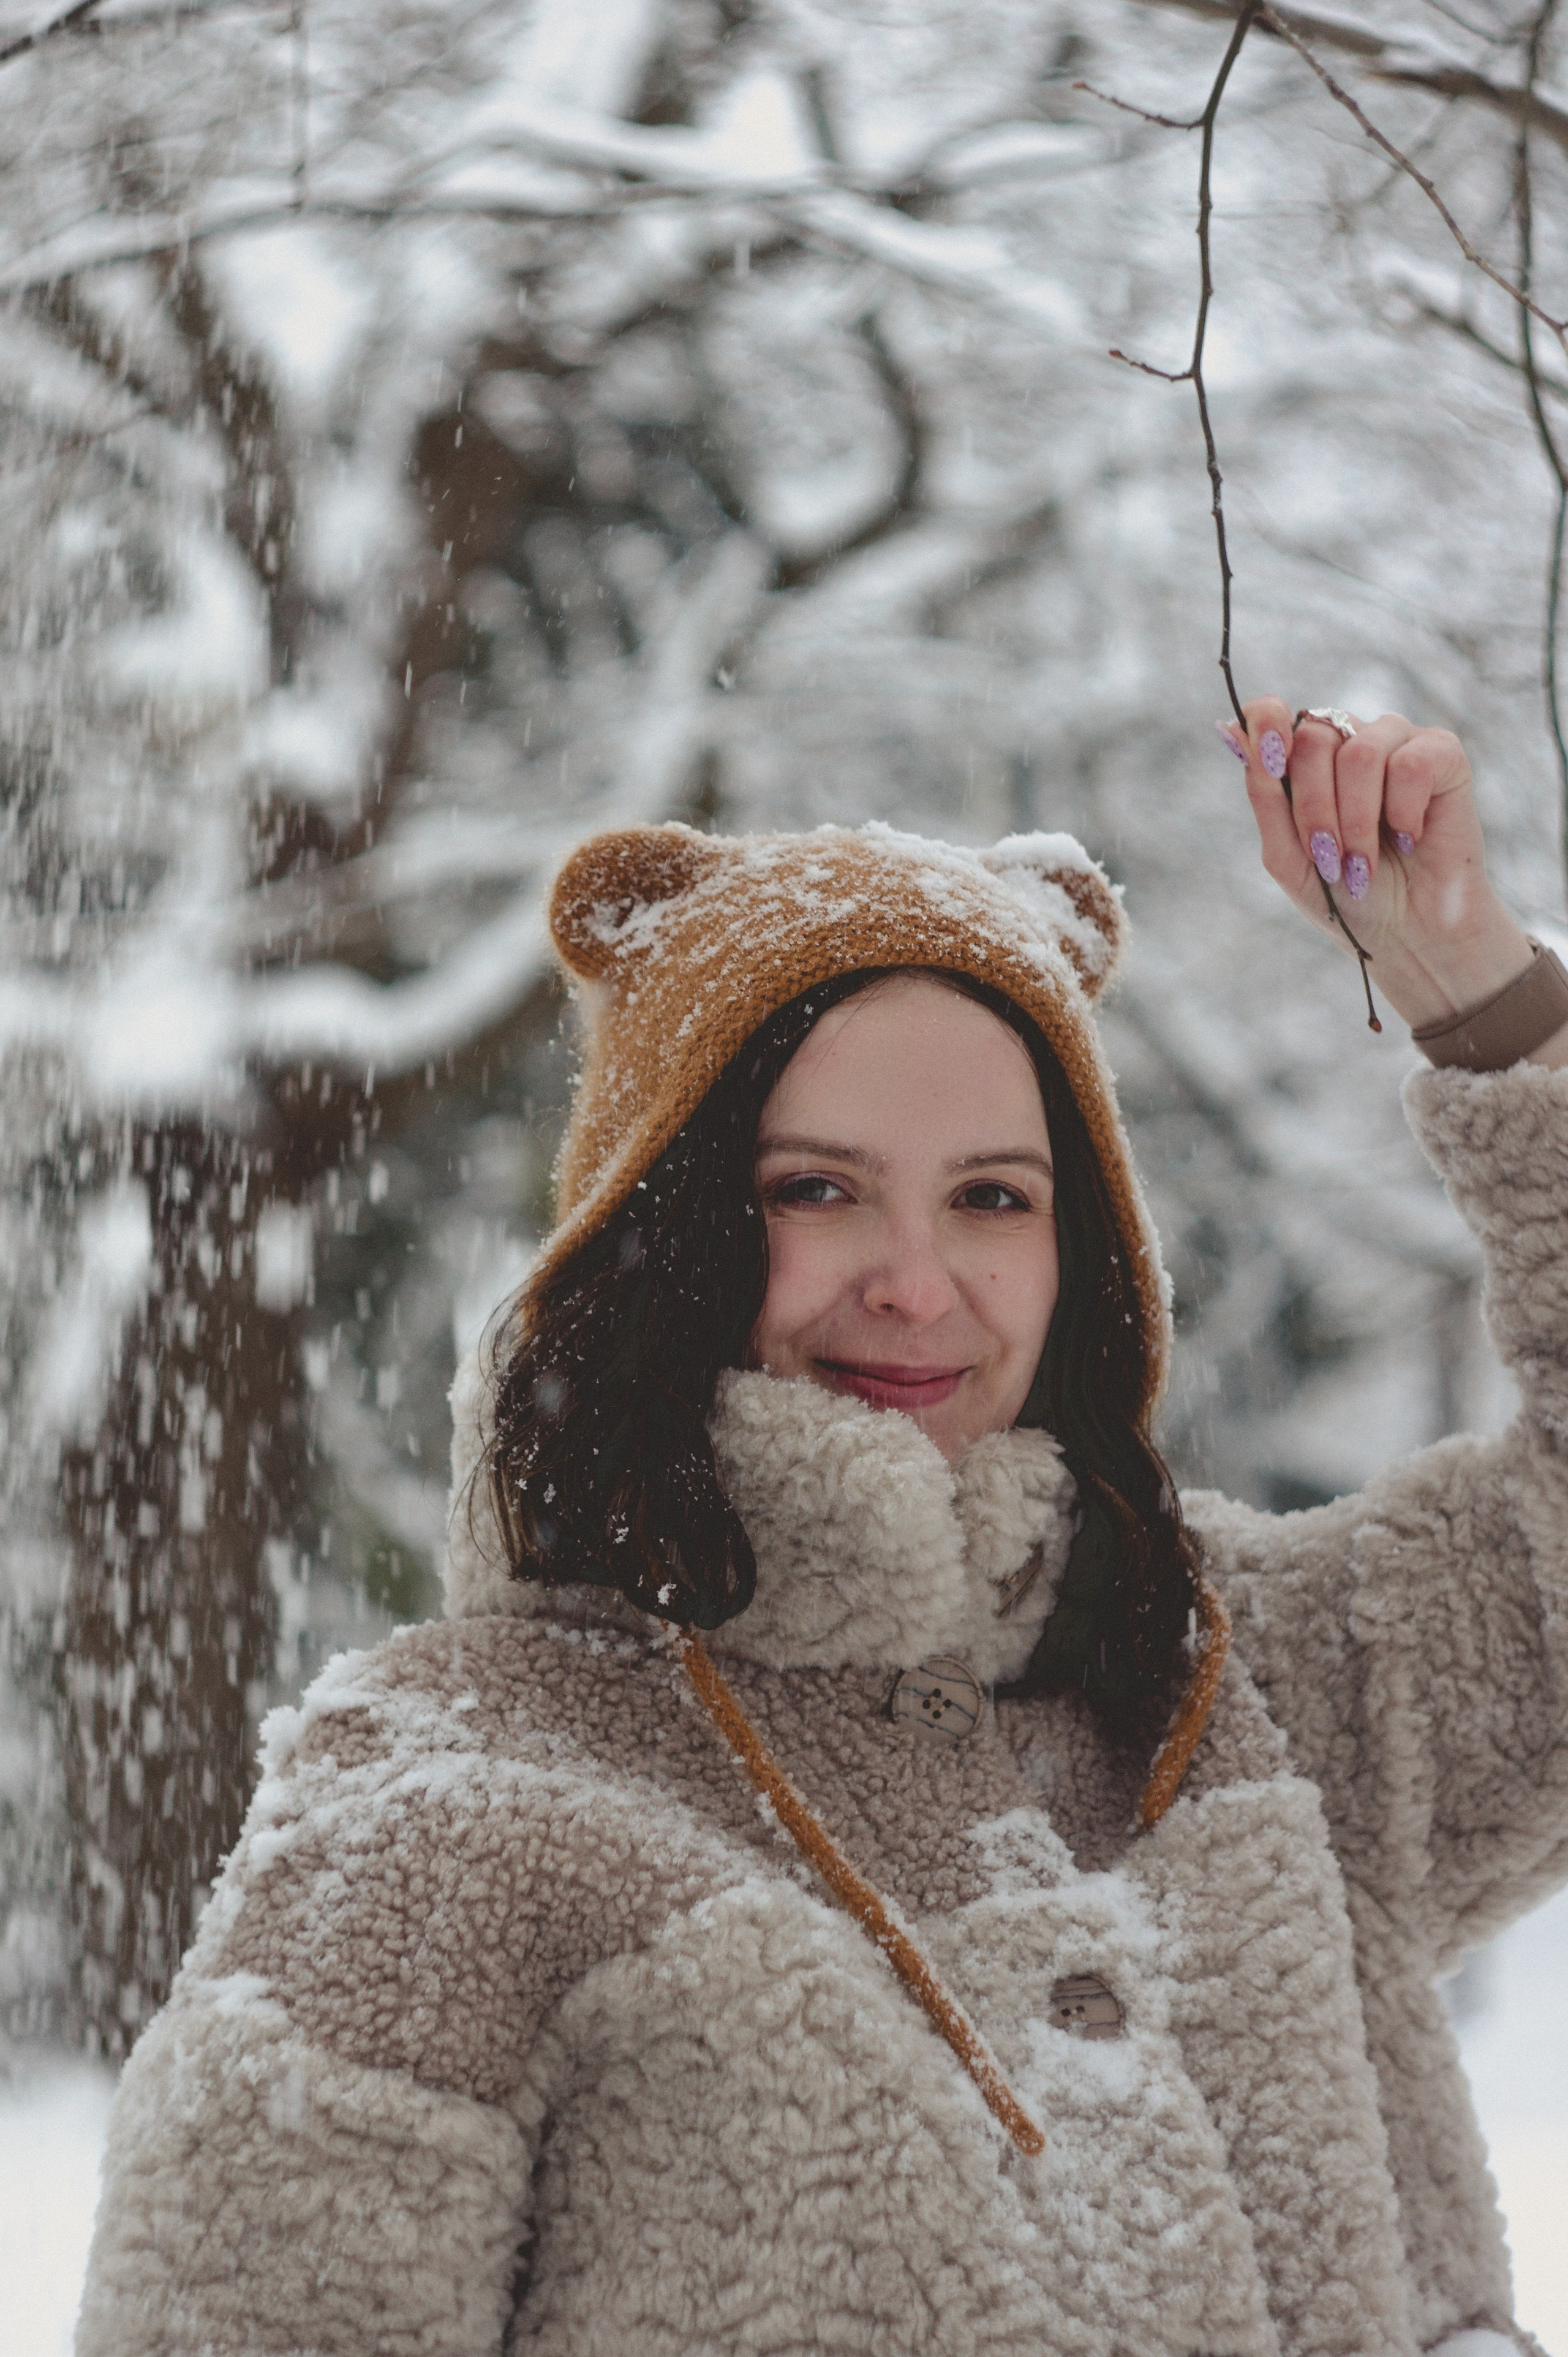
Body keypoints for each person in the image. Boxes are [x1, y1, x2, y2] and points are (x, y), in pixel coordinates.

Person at [77, 700, 1568, 2357]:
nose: (917, 1284)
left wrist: (1484, 1000)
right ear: (662, 1231)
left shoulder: (1248, 1682)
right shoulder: (445, 1809)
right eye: (815, 1188)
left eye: (995, 1197)